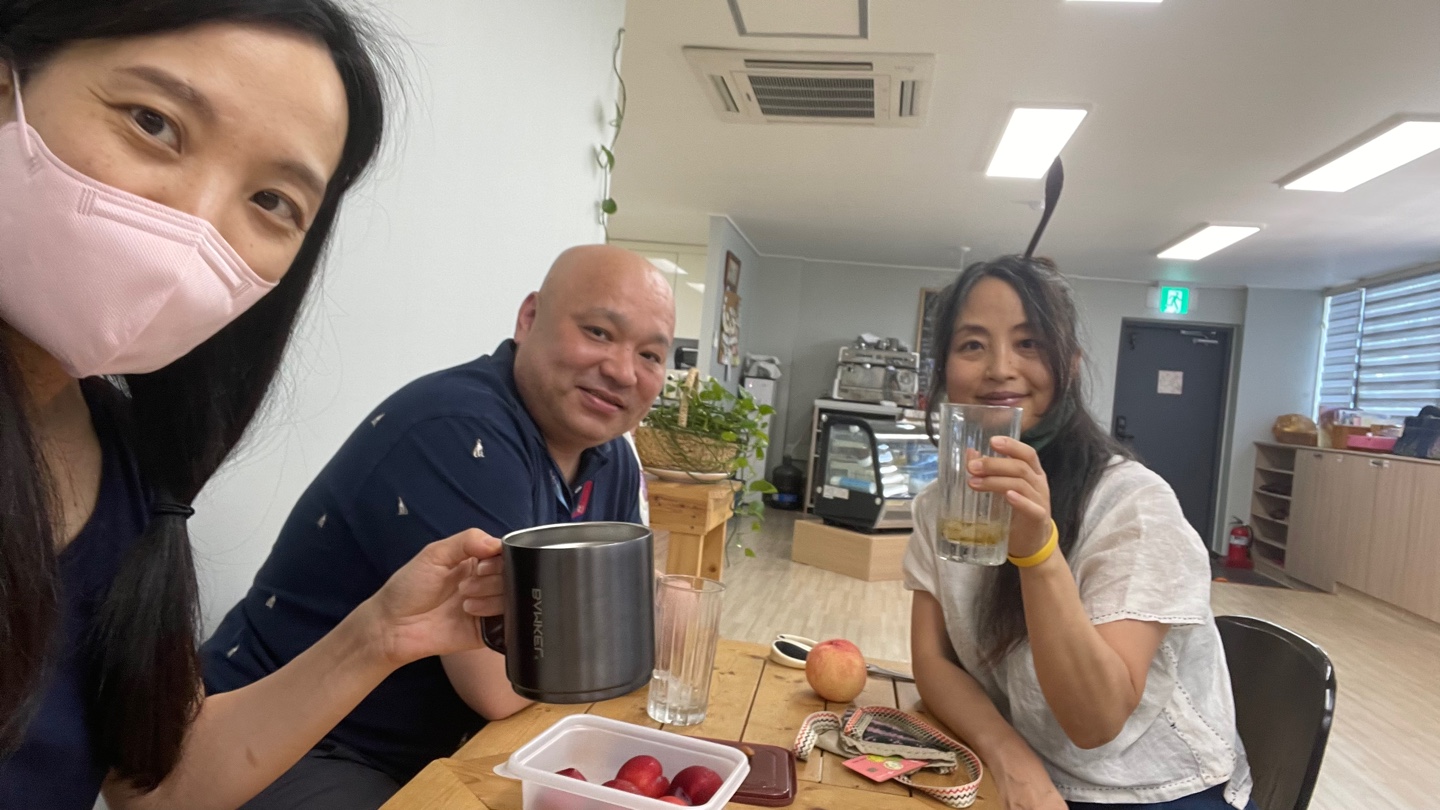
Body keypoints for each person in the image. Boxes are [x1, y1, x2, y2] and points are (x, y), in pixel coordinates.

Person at [0, 4, 509, 809]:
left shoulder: (126, 467)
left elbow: (155, 785)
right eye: (153, 123)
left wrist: (380, 634)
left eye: (272, 200)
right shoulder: (457, 422)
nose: (196, 221)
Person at [201, 244, 675, 808]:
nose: (622, 370)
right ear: (529, 318)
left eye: (650, 355)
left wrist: (622, 632)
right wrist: (618, 634)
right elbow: (502, 683)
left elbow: (637, 622)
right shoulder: (460, 429)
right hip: (292, 744)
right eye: (598, 332)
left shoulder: (610, 456)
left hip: (442, 747)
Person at [905, 256, 1256, 810]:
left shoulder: (1133, 503)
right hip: (1022, 773)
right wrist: (1009, 756)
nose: (1000, 368)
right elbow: (934, 661)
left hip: (1153, 790)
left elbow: (1095, 721)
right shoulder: (940, 507)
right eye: (972, 345)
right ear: (944, 368)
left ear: (1069, 365)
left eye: (1029, 343)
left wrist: (1039, 553)